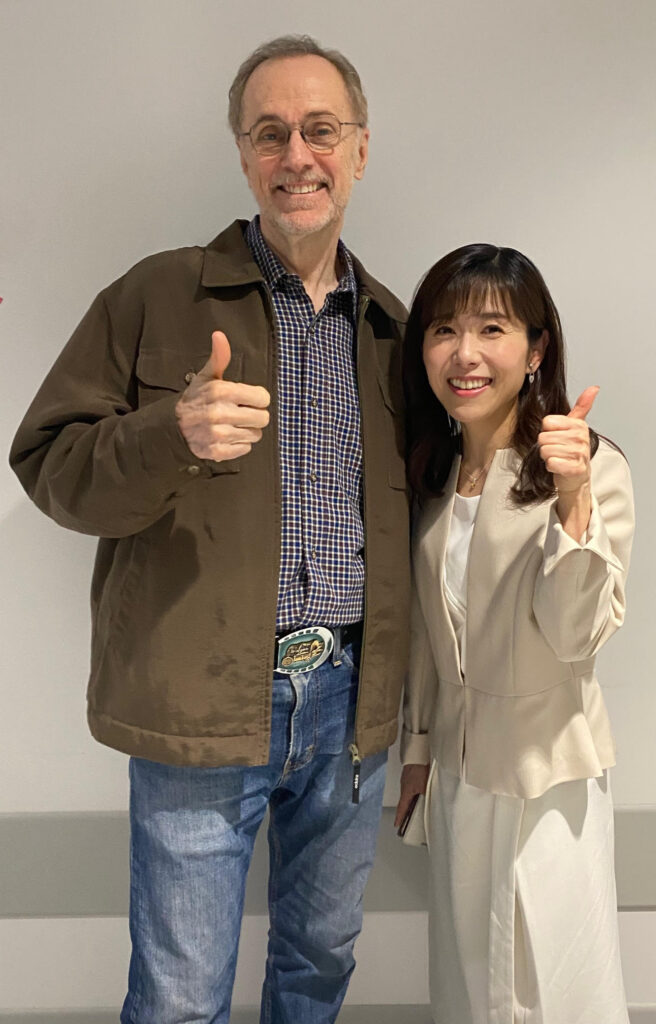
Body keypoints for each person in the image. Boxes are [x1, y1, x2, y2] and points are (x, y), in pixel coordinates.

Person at [10, 35, 410, 1024]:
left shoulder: (395, 331)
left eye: (320, 130)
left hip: (352, 706)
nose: (296, 155)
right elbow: (47, 463)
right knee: (182, 997)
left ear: (361, 149)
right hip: (203, 701)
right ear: (242, 154)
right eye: (270, 133)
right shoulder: (157, 296)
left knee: (319, 965)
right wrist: (169, 433)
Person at [395, 244, 634, 1024]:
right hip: (460, 778)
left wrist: (572, 502)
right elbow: (427, 638)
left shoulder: (588, 465)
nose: (464, 353)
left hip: (548, 774)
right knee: (468, 989)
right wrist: (418, 753)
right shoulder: (432, 477)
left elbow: (576, 635)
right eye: (444, 330)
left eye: (491, 329)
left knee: (550, 990)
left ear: (535, 351)